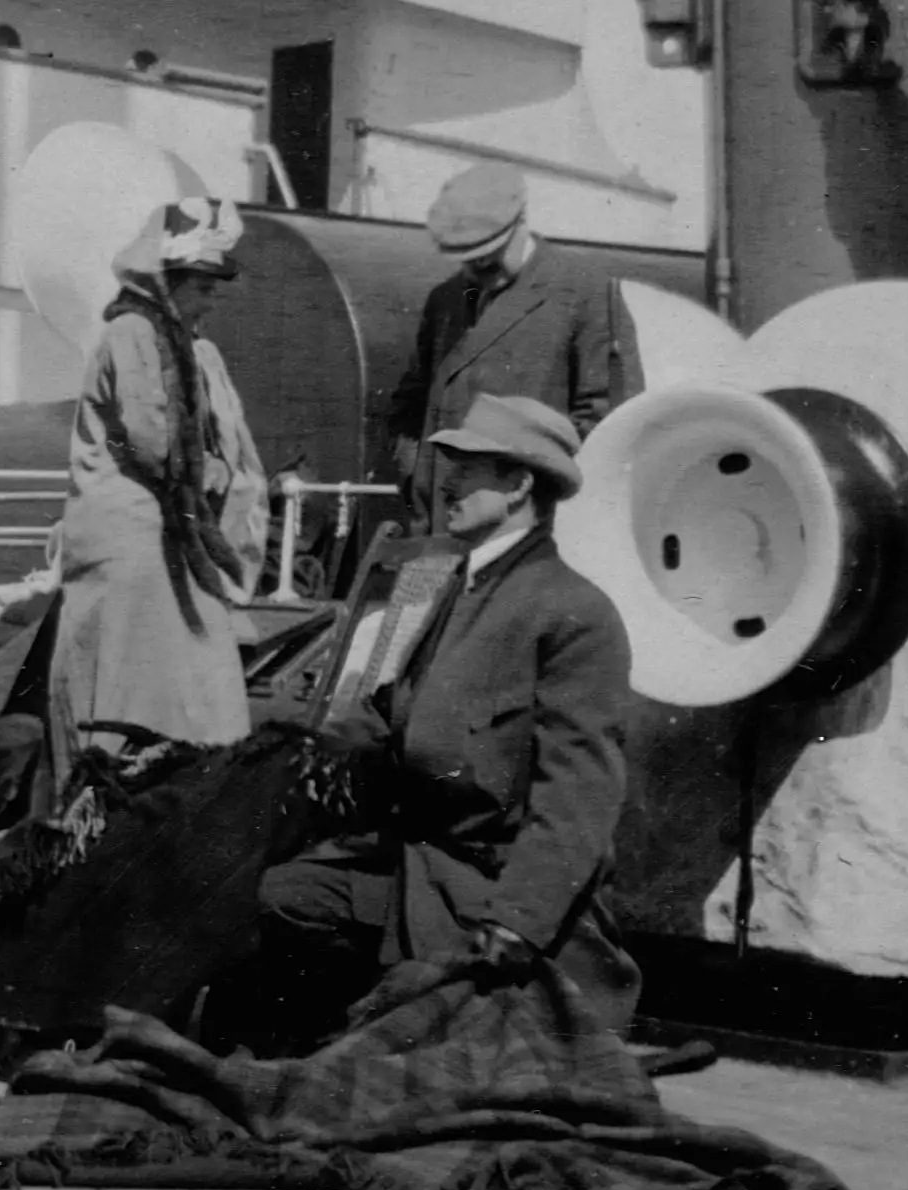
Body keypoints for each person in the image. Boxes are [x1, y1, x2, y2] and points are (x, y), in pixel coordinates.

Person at [219, 393, 636, 1045]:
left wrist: (518, 923)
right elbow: (394, 721)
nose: (451, 482)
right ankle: (353, 1036)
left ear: (520, 482)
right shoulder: (458, 587)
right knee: (284, 891)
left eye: (471, 466)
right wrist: (270, 741)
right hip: (428, 872)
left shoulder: (572, 611)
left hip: (499, 903)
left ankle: (373, 1037)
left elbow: (578, 799)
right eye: (451, 464)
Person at [50, 192, 268, 771]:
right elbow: (156, 442)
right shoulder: (134, 336)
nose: (211, 302)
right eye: (202, 288)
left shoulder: (167, 339)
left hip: (158, 541)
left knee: (185, 679)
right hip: (132, 548)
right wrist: (216, 470)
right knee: (141, 688)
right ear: (167, 282)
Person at [380, 161, 639, 509]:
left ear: (522, 222)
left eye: (491, 256)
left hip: (526, 520)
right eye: (468, 260)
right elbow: (411, 401)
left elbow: (607, 425)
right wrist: (417, 472)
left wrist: (531, 495)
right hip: (440, 519)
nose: (478, 270)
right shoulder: (444, 300)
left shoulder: (586, 294)